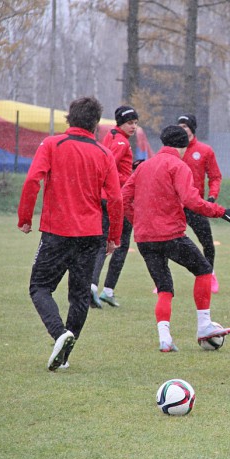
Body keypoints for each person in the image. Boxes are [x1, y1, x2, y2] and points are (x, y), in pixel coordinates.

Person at [17, 96, 122, 371]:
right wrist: (114, 237)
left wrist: (25, 217)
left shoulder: (53, 144)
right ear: (96, 124)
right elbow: (116, 199)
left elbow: (32, 180)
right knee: (79, 296)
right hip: (91, 236)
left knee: (39, 287)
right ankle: (66, 351)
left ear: (69, 119)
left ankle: (60, 335)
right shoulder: (104, 153)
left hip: (57, 232)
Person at [121, 125, 230, 352]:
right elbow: (192, 201)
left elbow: (124, 197)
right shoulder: (178, 165)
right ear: (184, 144)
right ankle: (204, 325)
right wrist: (222, 212)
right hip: (171, 235)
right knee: (204, 271)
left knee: (164, 287)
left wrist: (137, 222)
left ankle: (165, 339)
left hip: (145, 239)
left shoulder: (144, 166)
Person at [90, 105, 139, 308]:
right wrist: (129, 176)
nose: (134, 127)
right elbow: (106, 168)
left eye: (136, 123)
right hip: (116, 199)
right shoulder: (121, 142)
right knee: (117, 244)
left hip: (104, 197)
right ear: (120, 123)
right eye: (130, 123)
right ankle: (100, 289)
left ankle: (96, 287)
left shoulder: (110, 136)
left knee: (104, 243)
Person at [177, 114, 223, 294]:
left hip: (196, 205)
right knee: (166, 242)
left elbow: (215, 176)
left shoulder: (205, 150)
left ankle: (210, 276)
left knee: (207, 243)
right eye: (179, 125)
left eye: (185, 125)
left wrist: (212, 196)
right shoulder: (173, 149)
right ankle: (161, 282)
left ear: (192, 128)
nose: (182, 128)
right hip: (176, 206)